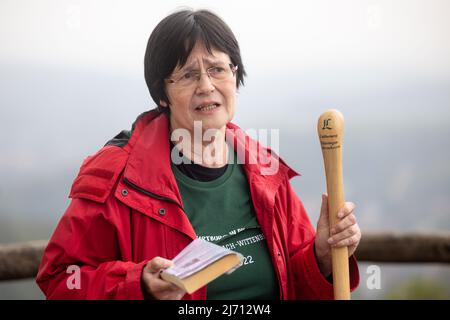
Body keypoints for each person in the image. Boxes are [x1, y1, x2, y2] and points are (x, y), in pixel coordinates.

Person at [36, 9, 361, 300]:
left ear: (236, 76)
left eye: (218, 69)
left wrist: (320, 256)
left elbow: (294, 285)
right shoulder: (119, 179)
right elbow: (61, 280)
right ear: (162, 93)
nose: (206, 85)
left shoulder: (265, 171)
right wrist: (139, 286)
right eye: (189, 75)